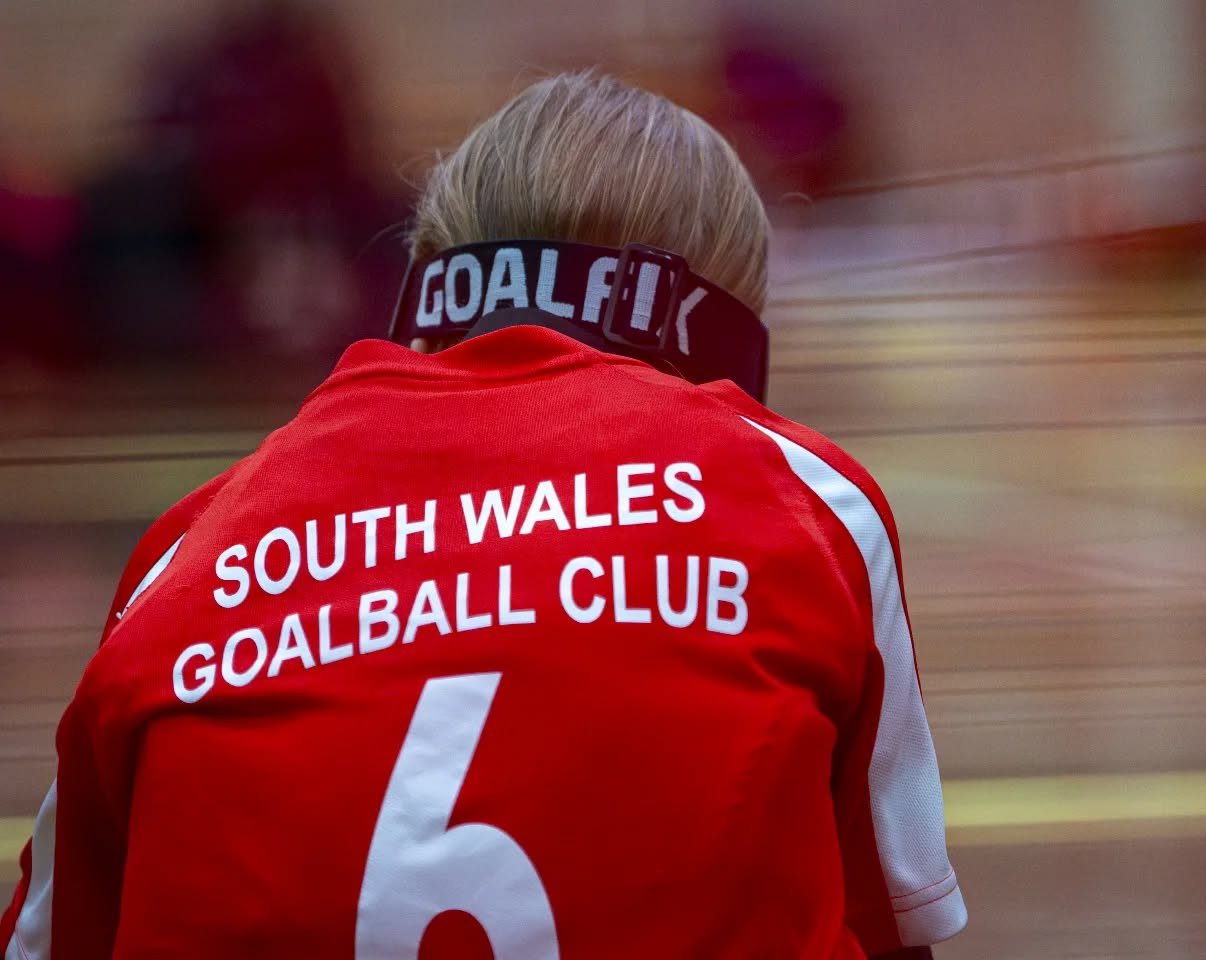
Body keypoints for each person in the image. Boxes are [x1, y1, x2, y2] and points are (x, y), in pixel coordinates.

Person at [3, 72, 965, 959]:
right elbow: (894, 934)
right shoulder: (798, 496)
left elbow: (48, 941)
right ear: (727, 334)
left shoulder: (194, 542)